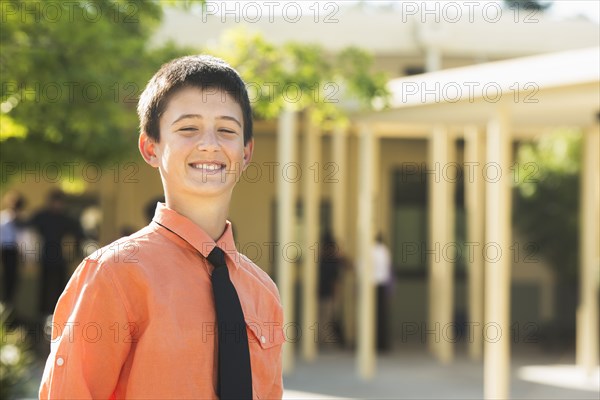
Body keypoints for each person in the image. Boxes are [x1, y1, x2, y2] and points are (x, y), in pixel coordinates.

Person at [39, 55, 284, 399]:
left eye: (227, 130)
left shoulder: (264, 294)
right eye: (188, 128)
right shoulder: (114, 275)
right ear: (150, 147)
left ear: (246, 152)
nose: (210, 144)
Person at [29, 188, 83, 318]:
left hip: (60, 258)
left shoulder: (66, 218)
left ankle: (60, 315)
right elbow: (28, 229)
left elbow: (79, 235)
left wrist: (74, 254)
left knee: (61, 288)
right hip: (45, 256)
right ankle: (41, 315)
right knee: (44, 287)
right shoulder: (41, 216)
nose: (57, 205)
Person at [0, 190, 27, 309]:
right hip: (5, 250)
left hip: (15, 252)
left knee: (13, 282)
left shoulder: (22, 219)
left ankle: (9, 308)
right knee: (6, 281)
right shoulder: (4, 217)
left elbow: (23, 239)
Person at [317, 231, 342, 346]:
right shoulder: (333, 261)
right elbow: (335, 280)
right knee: (327, 317)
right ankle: (325, 339)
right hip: (328, 292)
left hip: (320, 291)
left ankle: (322, 338)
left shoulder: (320, 260)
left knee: (322, 316)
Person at [373, 233, 392, 352]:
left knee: (372, 315)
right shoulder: (385, 251)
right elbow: (388, 269)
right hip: (383, 285)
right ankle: (383, 344)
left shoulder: (371, 250)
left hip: (372, 285)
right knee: (382, 315)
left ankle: (374, 342)